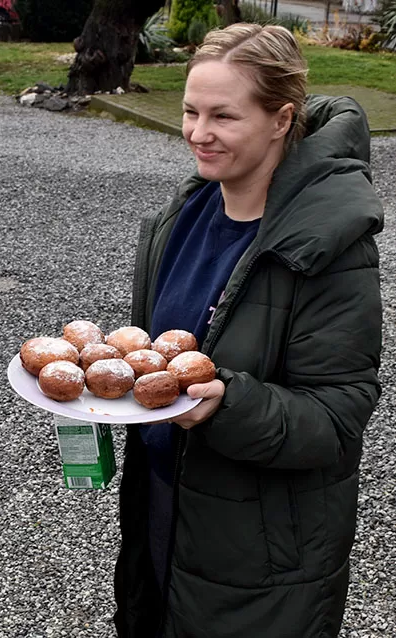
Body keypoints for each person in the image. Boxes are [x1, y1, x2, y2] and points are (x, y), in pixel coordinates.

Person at [114, 24, 383, 637]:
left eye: (224, 116)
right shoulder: (182, 216)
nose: (197, 133)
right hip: (163, 507)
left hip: (262, 556)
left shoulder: (327, 243)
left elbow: (337, 417)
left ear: (281, 119)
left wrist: (226, 405)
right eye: (190, 111)